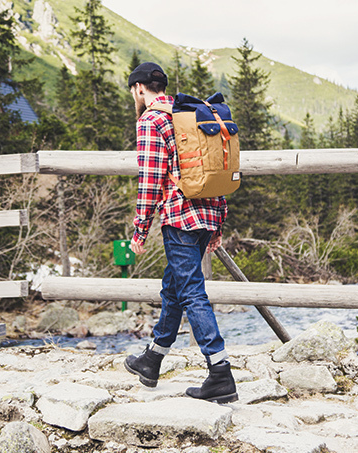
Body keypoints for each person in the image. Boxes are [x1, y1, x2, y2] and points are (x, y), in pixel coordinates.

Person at [123, 62, 237, 404]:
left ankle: (220, 373)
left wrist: (140, 229)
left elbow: (150, 180)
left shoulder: (151, 120)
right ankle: (152, 361)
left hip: (179, 217)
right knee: (173, 289)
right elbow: (216, 165)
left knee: (190, 292)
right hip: (207, 212)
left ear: (140, 88)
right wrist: (218, 222)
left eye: (133, 91)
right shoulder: (189, 113)